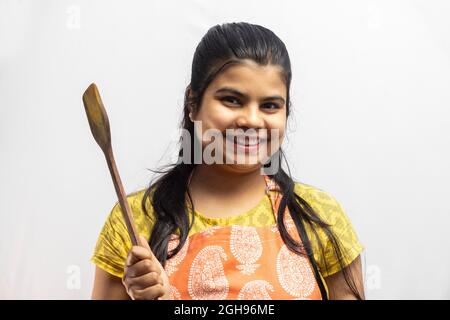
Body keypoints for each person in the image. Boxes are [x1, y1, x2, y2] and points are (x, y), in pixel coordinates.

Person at [90, 22, 365, 300]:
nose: (251, 120)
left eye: (270, 105)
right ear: (192, 103)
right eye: (232, 100)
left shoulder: (319, 217)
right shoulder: (134, 221)